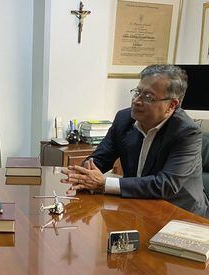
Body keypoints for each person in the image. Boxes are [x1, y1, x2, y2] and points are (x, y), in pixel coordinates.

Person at [61, 64, 209, 217]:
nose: (137, 101)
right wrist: (85, 174)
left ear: (171, 105)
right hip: (139, 205)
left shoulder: (186, 132)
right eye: (137, 92)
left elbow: (166, 185)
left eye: (148, 97)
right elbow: (100, 158)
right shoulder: (124, 119)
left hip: (180, 215)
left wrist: (104, 184)